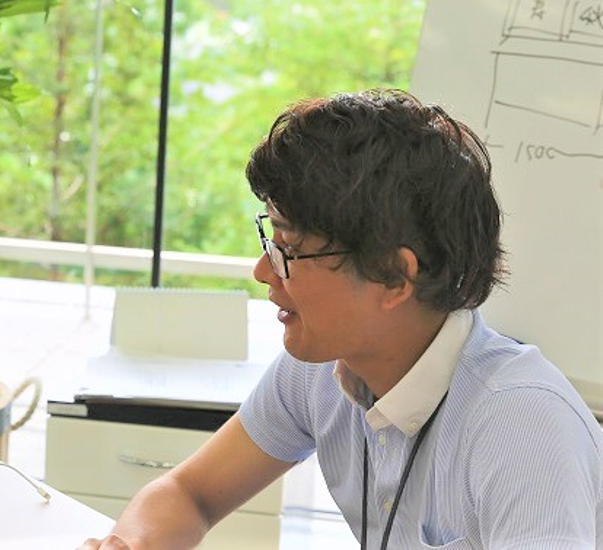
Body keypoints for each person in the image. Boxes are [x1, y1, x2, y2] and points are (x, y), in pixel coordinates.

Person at [81, 89, 602, 549]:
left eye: (289, 248)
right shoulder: (323, 368)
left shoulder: (522, 426)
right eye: (270, 238)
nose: (263, 271)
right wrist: (130, 544)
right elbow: (188, 493)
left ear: (394, 276)